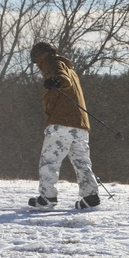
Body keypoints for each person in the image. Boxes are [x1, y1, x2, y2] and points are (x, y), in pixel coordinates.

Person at [28, 42, 100, 210]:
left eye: (35, 59)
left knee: (49, 161)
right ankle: (90, 197)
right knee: (82, 162)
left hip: (61, 123)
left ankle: (47, 198)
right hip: (80, 125)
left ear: (42, 55)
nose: (36, 64)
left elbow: (62, 79)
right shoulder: (71, 70)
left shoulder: (52, 63)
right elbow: (67, 79)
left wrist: (56, 81)